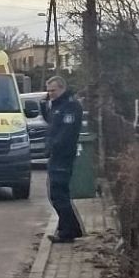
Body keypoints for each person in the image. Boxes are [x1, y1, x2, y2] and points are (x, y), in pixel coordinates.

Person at [44, 74, 86, 242]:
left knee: (59, 194)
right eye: (48, 91)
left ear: (62, 88)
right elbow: (52, 122)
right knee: (57, 194)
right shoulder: (58, 105)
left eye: (53, 90)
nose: (50, 94)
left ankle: (69, 231)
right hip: (56, 156)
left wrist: (53, 146)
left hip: (63, 157)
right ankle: (68, 229)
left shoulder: (71, 106)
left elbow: (66, 133)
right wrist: (43, 105)